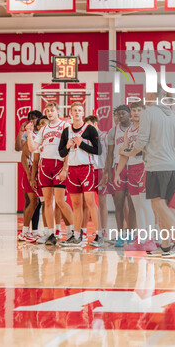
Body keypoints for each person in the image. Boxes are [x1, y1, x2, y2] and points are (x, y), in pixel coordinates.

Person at [123, 91, 175, 258]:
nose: (145, 95)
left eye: (147, 93)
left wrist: (131, 152)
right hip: (171, 165)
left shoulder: (148, 113)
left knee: (158, 205)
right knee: (163, 205)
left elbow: (142, 139)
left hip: (156, 165)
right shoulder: (172, 114)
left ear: (152, 94)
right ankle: (166, 246)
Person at [25, 102, 74, 245]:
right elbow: (33, 146)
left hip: (59, 164)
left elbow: (69, 149)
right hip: (45, 166)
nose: (50, 113)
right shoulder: (44, 129)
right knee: (47, 201)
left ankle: (74, 232)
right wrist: (29, 133)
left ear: (57, 111)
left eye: (52, 110)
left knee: (60, 201)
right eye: (47, 111)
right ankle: (51, 233)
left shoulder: (65, 126)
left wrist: (65, 168)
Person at [58, 102, 102, 247]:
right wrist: (68, 146)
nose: (77, 113)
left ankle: (99, 235)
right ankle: (77, 236)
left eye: (79, 110)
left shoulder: (90, 129)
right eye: (74, 110)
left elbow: (98, 150)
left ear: (83, 113)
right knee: (76, 204)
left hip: (86, 168)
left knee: (90, 202)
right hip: (72, 169)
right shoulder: (66, 131)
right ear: (70, 113)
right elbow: (61, 152)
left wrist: (82, 144)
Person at [114, 102, 156, 252]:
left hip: (145, 167)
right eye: (134, 110)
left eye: (139, 110)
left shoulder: (148, 128)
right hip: (131, 169)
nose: (137, 112)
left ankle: (150, 238)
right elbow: (123, 154)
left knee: (146, 205)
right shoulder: (128, 131)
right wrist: (118, 173)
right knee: (137, 206)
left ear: (144, 112)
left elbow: (141, 151)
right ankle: (141, 238)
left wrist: (127, 151)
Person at [104, 105, 134, 247]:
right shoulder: (113, 131)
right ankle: (121, 234)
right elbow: (110, 153)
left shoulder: (136, 128)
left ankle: (132, 233)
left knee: (134, 204)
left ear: (130, 114)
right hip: (118, 168)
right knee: (119, 203)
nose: (120, 116)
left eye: (123, 113)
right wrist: (108, 171)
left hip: (134, 167)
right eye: (118, 114)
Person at [84, 115, 109, 241]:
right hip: (88, 170)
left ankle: (103, 231)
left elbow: (109, 155)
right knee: (87, 202)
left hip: (101, 171)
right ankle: (84, 232)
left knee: (102, 202)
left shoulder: (104, 136)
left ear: (95, 123)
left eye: (89, 125)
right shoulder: (86, 138)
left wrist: (106, 172)